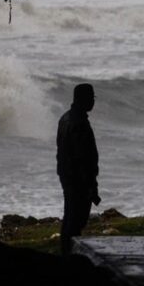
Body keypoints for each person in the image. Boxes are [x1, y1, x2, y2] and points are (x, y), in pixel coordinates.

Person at [56, 83, 100, 254]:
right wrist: (91, 186)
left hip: (67, 176)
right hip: (78, 180)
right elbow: (84, 159)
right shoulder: (79, 123)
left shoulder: (65, 118)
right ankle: (69, 258)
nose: (93, 102)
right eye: (91, 98)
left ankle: (65, 254)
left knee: (69, 218)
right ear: (83, 99)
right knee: (76, 222)